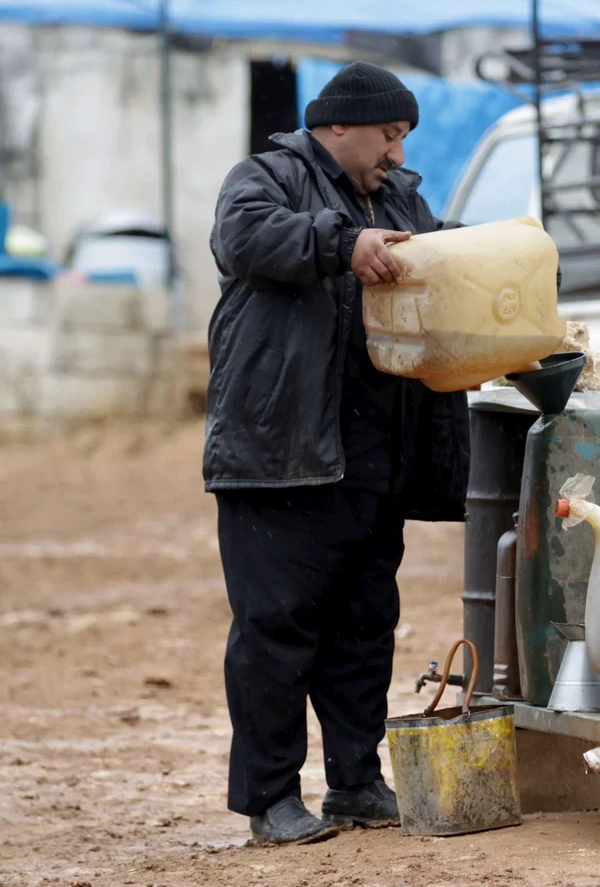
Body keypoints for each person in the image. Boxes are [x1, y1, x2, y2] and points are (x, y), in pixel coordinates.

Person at [204, 62, 470, 845]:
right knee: (276, 630)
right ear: (340, 127)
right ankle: (270, 801)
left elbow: (438, 261)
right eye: (389, 135)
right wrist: (342, 243)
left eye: (403, 139)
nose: (397, 152)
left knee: (363, 627)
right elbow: (246, 237)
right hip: (279, 450)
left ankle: (356, 783)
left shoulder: (397, 198)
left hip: (370, 454)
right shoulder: (266, 178)